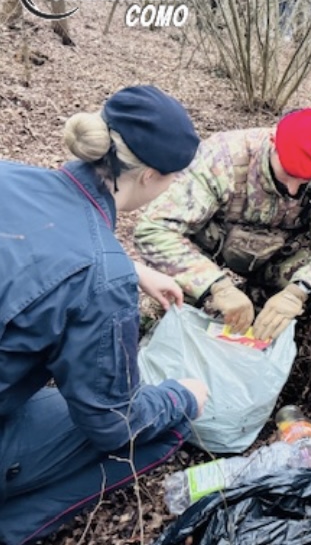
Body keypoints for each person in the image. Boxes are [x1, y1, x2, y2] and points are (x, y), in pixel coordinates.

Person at [0, 85, 210, 544]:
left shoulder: (8, 176)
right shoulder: (103, 277)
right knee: (158, 429)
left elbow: (34, 245)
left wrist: (133, 268)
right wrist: (184, 396)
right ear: (151, 176)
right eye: (174, 178)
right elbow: (114, 423)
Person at [134, 108, 311, 342]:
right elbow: (154, 229)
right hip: (213, 246)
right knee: (179, 299)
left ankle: (267, 320)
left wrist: (299, 292)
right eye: (288, 173)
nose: (294, 189)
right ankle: (176, 326)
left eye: (305, 180)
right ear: (273, 143)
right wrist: (215, 285)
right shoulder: (222, 158)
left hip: (278, 256)